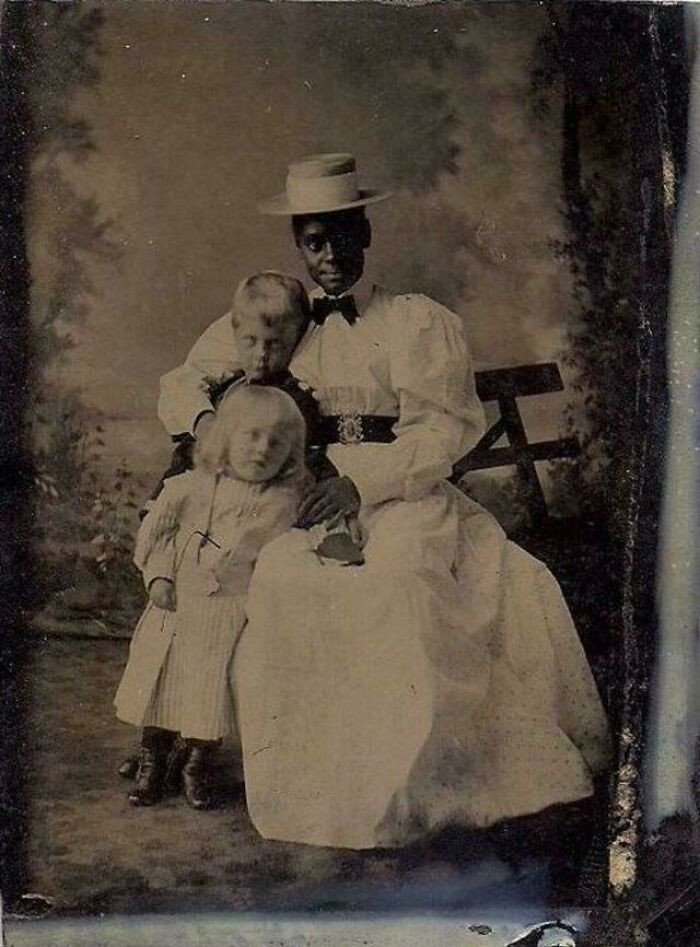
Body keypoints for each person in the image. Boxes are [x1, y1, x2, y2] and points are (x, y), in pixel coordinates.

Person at [159, 153, 612, 848]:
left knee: (399, 584)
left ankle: (410, 787)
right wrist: (212, 426)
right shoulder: (274, 315)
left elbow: (441, 433)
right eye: (314, 239)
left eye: (343, 234)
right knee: (281, 576)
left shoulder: (412, 321)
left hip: (402, 493)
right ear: (298, 245)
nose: (331, 255)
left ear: (366, 234)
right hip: (300, 497)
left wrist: (362, 484)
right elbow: (181, 385)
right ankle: (317, 782)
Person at [114, 385, 307, 810]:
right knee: (162, 681)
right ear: (224, 438)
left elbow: (286, 554)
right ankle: (154, 758)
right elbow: (158, 533)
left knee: (208, 691)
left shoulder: (284, 503)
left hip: (230, 611)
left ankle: (196, 765)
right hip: (178, 605)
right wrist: (159, 577)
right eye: (251, 437)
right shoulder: (190, 487)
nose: (262, 450)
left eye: (276, 443)